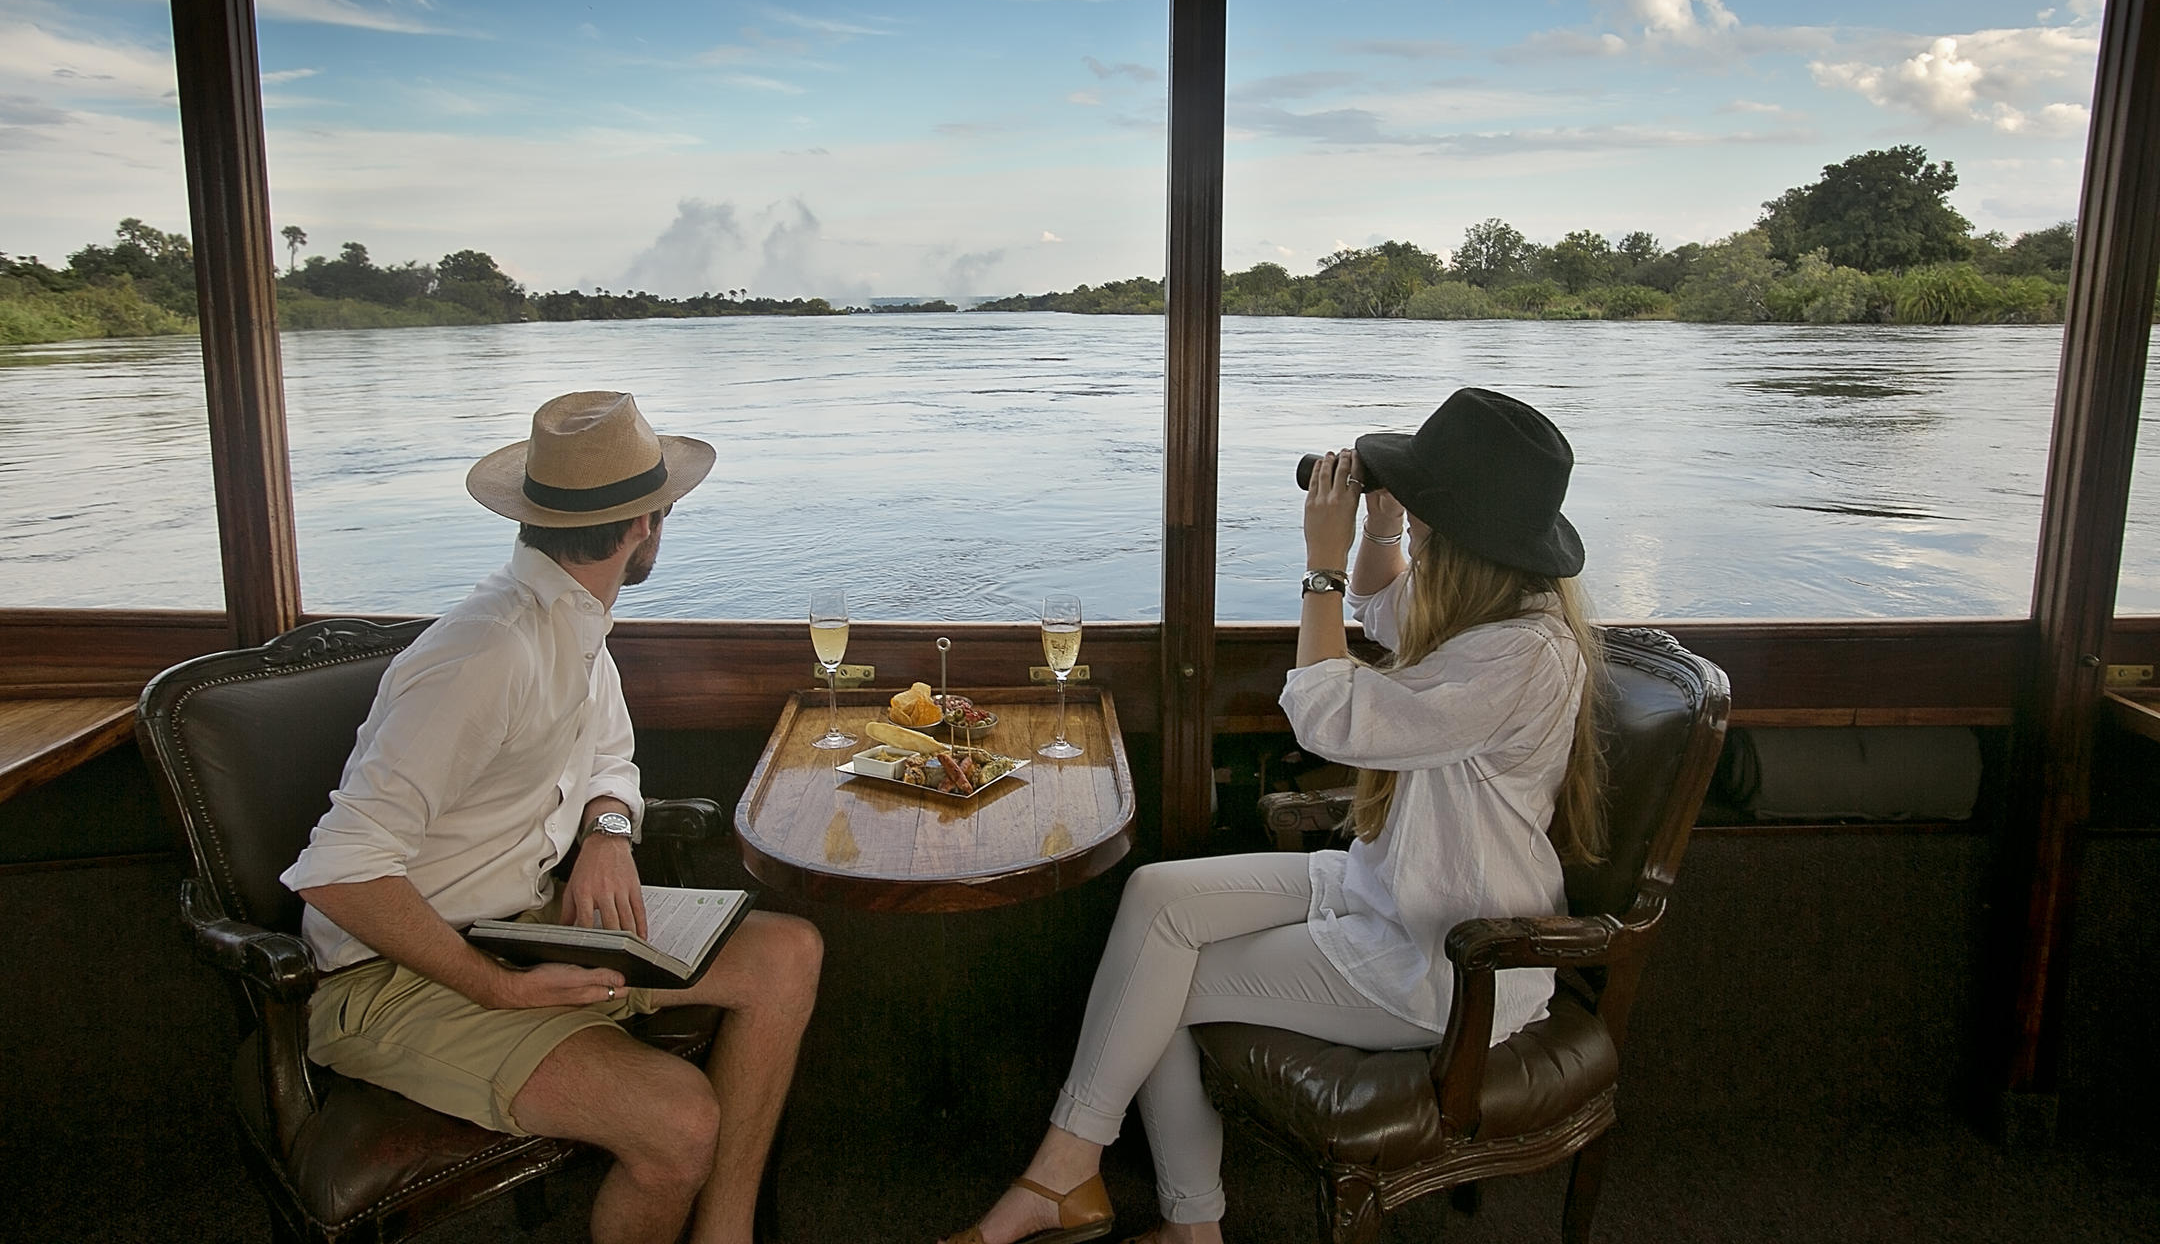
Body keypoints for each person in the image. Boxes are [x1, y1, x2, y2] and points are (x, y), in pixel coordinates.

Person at [939, 387, 1605, 1244]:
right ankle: (1076, 1182)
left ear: (1464, 534)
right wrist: (1383, 524)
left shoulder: (1515, 654)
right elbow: (1377, 602)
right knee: (1157, 899)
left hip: (1447, 961)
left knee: (1162, 990)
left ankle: (1143, 1209)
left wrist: (1317, 563)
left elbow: (1327, 713)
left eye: (1429, 509)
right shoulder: (1492, 613)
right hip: (1392, 892)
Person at [281, 390, 823, 1244]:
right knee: (679, 1123)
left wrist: (608, 835)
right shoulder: (488, 650)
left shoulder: (572, 622)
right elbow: (342, 871)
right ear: (647, 523)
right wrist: (497, 987)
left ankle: (727, 1234)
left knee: (786, 953)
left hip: (525, 924)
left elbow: (610, 756)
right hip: (396, 978)